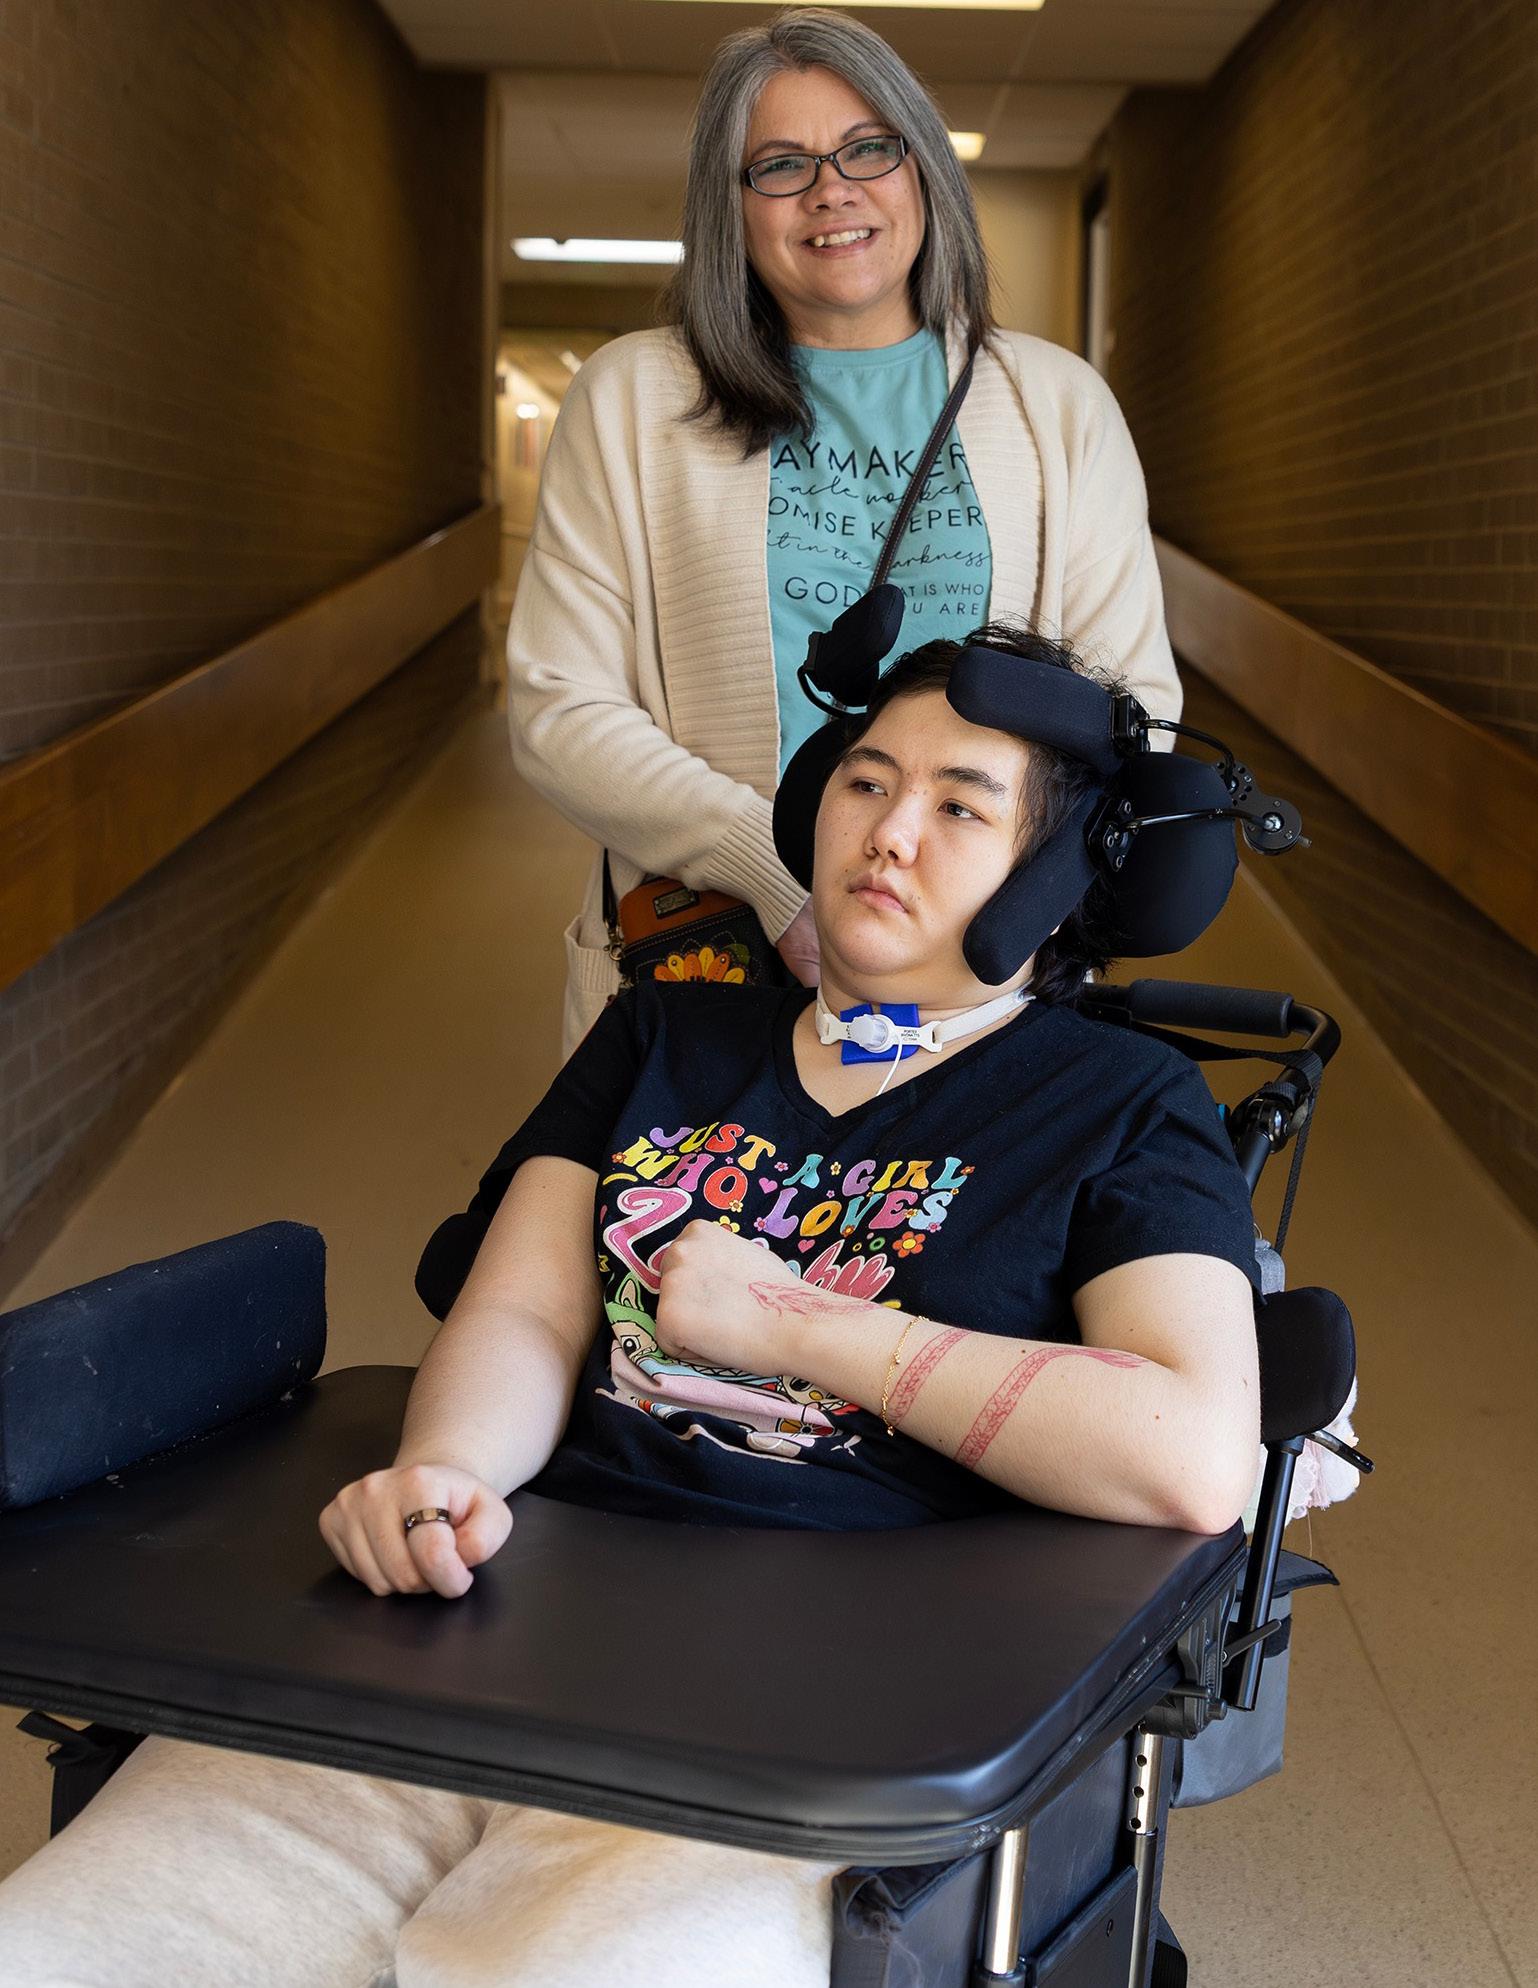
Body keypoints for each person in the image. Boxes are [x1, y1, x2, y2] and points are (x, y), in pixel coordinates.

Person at [0, 627, 1258, 1988]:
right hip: (503, 1618)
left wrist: (796, 1323)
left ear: (1057, 876)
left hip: (808, 1712)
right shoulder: (666, 1030)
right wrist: (444, 1475)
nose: (888, 832)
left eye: (959, 807)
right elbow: (525, 1318)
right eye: (864, 781)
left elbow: (1189, 1449)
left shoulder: (1120, 1102)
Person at [508, 8, 1182, 1053]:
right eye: (780, 165)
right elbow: (560, 706)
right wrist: (778, 877)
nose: (833, 190)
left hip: (987, 980)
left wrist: (1002, 920)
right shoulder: (633, 399)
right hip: (714, 959)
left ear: (923, 172)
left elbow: (1134, 711)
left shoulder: (1056, 405)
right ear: (729, 206)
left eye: (869, 148)